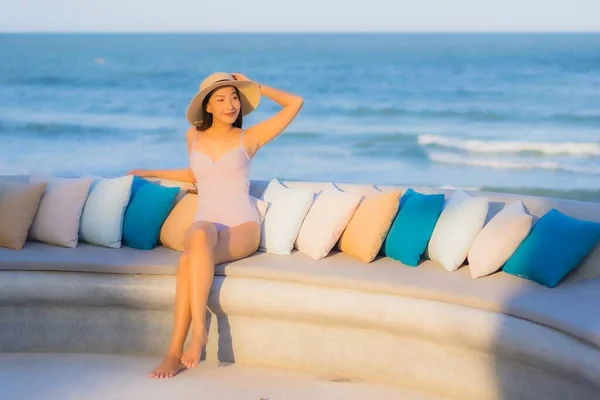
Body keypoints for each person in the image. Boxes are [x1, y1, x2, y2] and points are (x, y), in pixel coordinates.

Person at [128, 72, 303, 379]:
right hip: (206, 229)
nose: (229, 104)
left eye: (235, 97)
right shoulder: (192, 136)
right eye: (220, 99)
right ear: (206, 106)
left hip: (241, 228)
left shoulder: (250, 137)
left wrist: (255, 86)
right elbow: (197, 175)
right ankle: (191, 339)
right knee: (196, 237)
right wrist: (150, 170)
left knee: (188, 260)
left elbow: (295, 103)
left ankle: (185, 344)